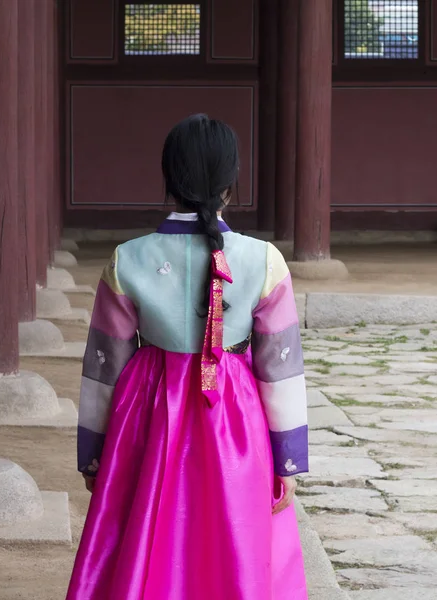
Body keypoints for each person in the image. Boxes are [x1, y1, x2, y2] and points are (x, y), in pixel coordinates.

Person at [66, 114, 309, 600]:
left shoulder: (127, 258)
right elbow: (279, 370)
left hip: (148, 413)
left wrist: (93, 455)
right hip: (234, 415)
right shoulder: (264, 261)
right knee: (232, 537)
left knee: (144, 536)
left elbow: (103, 366)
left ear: (169, 177)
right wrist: (287, 458)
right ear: (230, 182)